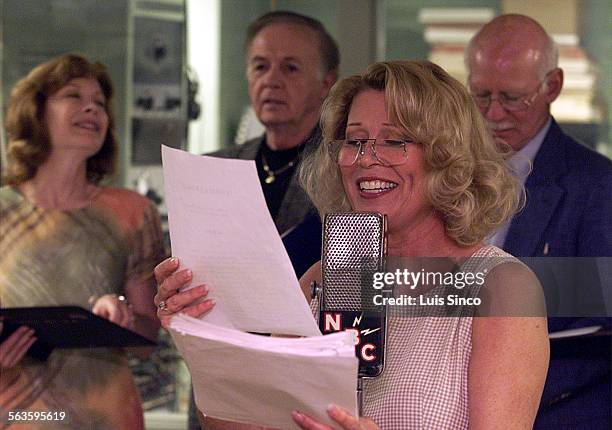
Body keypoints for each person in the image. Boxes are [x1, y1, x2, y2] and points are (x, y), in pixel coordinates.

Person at [154, 60, 550, 429]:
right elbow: (248, 423)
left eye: (395, 141)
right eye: (355, 141)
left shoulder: (502, 288)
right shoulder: (328, 278)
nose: (366, 159)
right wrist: (200, 336)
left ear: (448, 158)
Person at [0, 53, 164, 429]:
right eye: (73, 95)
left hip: (108, 416)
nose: (91, 107)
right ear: (35, 112)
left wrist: (121, 316)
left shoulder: (133, 213)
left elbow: (147, 339)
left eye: (100, 103)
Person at [466, 15, 612, 429]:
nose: (493, 113)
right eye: (480, 95)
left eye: (512, 98)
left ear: (552, 87)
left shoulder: (597, 185)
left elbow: (601, 309)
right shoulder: (443, 172)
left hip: (553, 404)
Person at [209, 10, 339, 278]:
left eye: (290, 68)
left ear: (327, 82)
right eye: (260, 67)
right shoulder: (214, 168)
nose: (271, 81)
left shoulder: (344, 169)